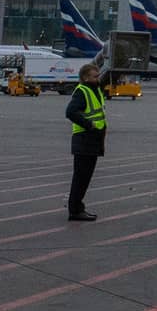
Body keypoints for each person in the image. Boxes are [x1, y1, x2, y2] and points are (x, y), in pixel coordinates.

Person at [64, 63, 107, 221]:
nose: (98, 78)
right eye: (95, 76)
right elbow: (70, 112)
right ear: (85, 78)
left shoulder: (94, 90)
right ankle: (75, 210)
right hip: (84, 139)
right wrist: (90, 126)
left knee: (85, 177)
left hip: (93, 140)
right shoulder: (83, 91)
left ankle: (77, 207)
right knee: (81, 177)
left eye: (98, 76)